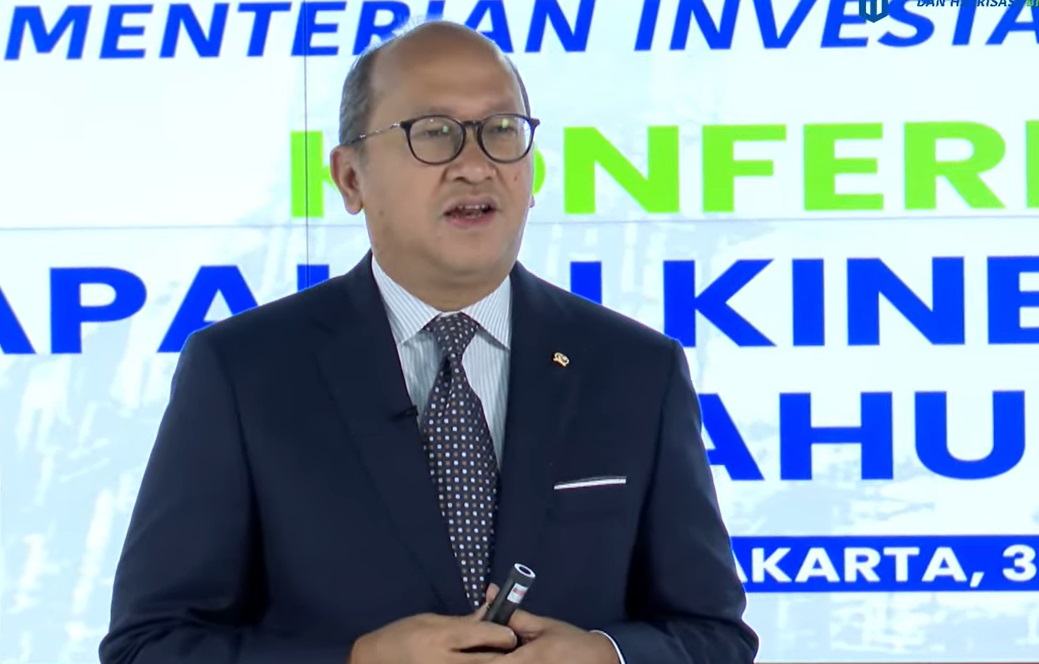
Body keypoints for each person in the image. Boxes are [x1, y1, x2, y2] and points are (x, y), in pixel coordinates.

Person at [99, 19, 758, 664]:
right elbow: (147, 645)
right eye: (434, 133)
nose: (475, 165)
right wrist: (356, 661)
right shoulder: (243, 373)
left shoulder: (637, 370)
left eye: (502, 130)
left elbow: (714, 636)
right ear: (350, 178)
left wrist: (608, 657)